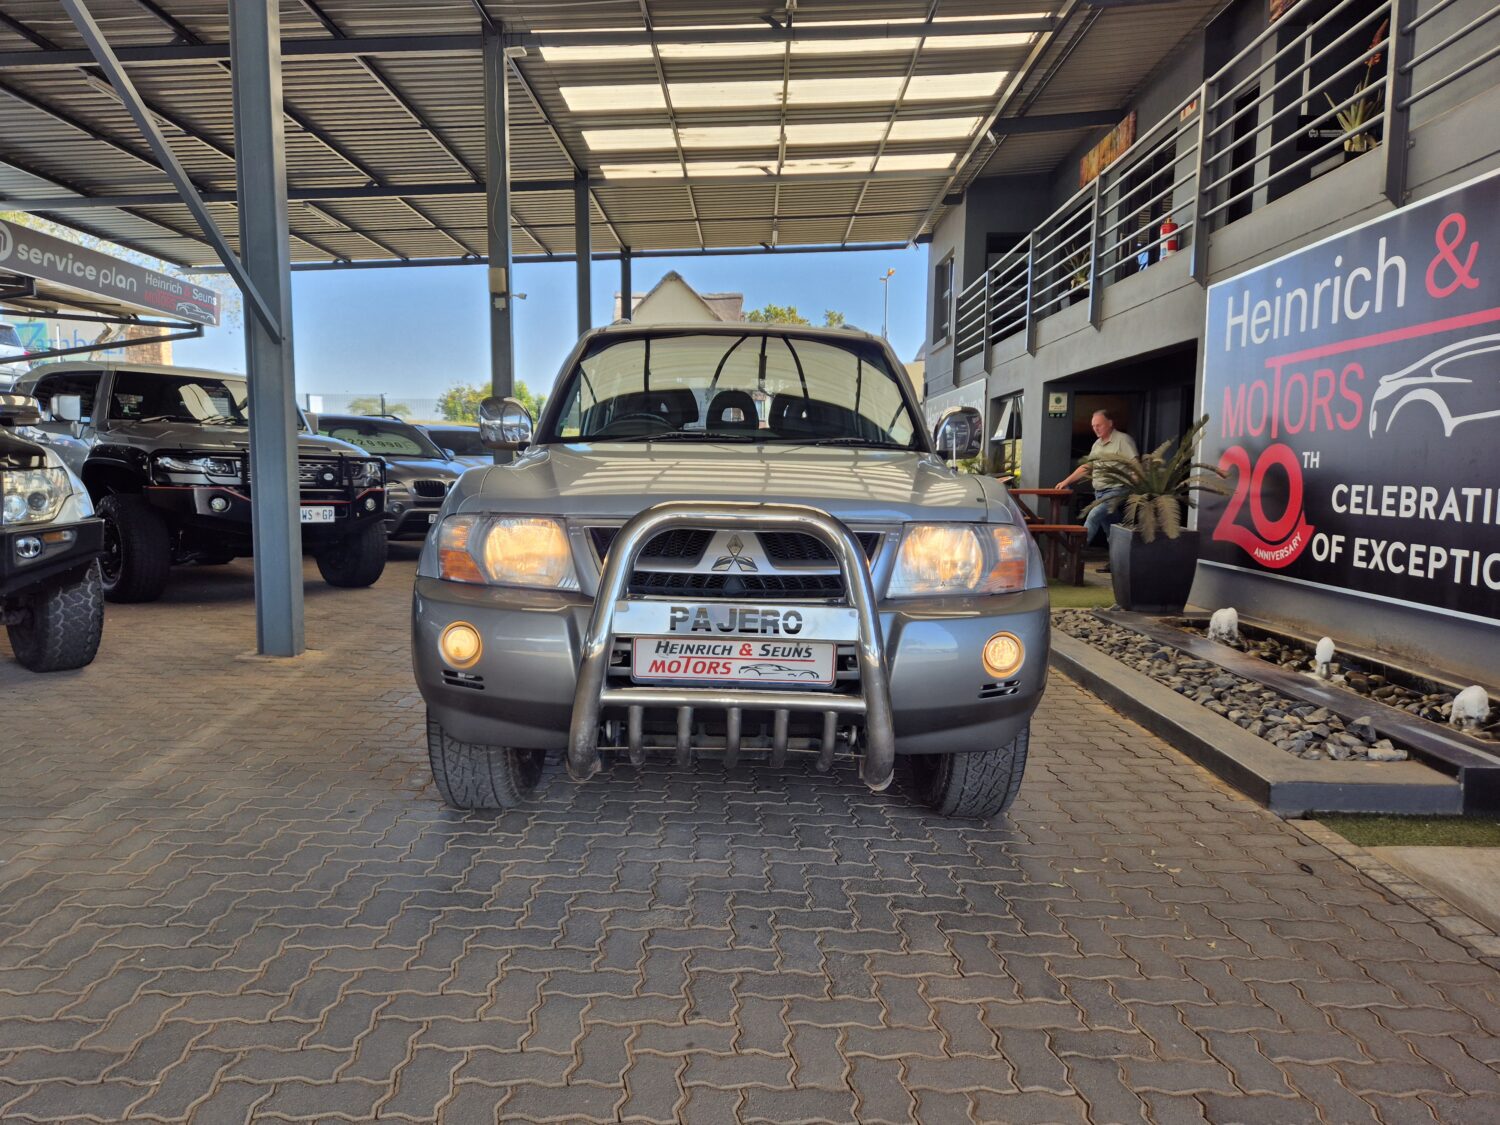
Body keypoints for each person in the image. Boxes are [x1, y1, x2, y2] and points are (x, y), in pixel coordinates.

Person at [1055, 409, 1138, 566]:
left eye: (1099, 425)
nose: (1095, 429)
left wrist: (1136, 488)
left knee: (1093, 515)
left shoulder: (1123, 440)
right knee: (1113, 528)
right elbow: (1088, 467)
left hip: (1117, 490)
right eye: (1093, 426)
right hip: (1099, 492)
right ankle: (1118, 563)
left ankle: (1073, 554)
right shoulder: (1097, 445)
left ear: (1110, 423)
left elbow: (1135, 465)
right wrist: (1066, 481)